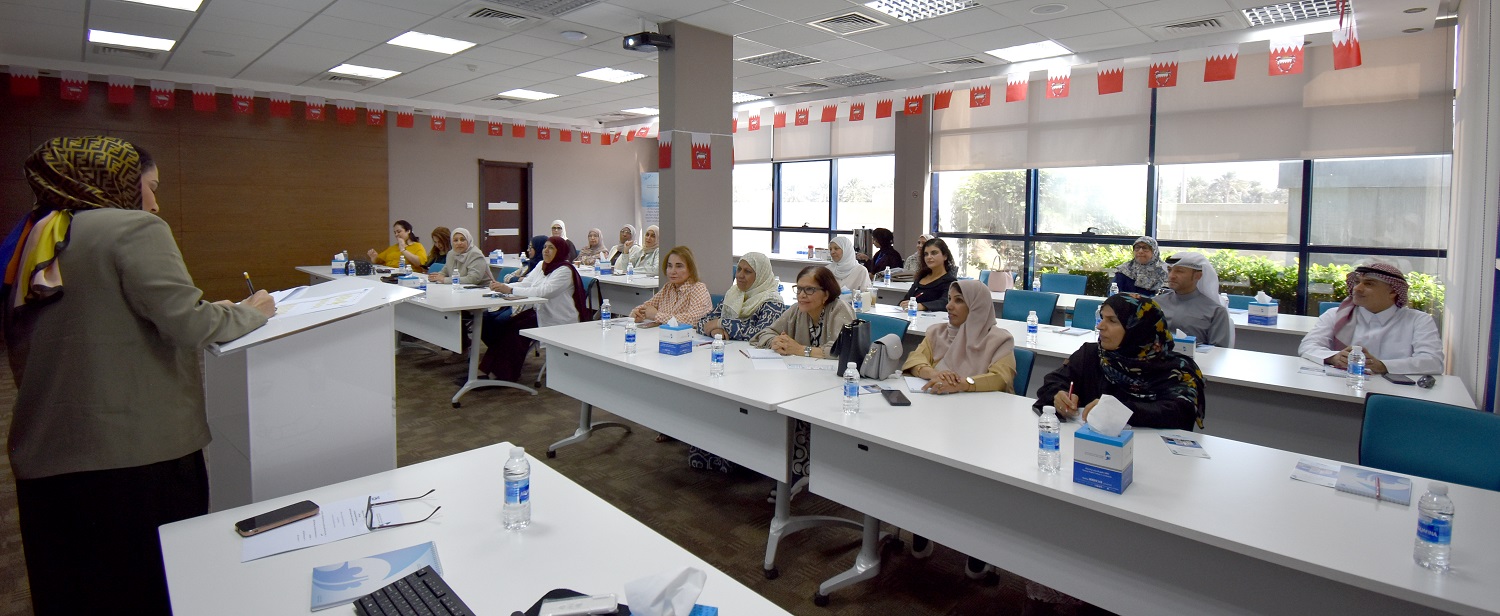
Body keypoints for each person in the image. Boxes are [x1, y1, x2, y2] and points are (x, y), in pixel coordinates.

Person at [2, 136, 275, 615]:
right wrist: (253, 311)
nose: (154, 203)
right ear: (120, 181)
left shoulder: (32, 235)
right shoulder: (132, 228)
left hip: (48, 450)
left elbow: (97, 318)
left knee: (75, 588)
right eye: (151, 186)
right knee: (148, 585)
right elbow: (188, 324)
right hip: (135, 453)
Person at [1033, 293, 1206, 431]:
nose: (1100, 326)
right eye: (1102, 318)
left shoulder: (1177, 371)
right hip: (1090, 446)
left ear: (1138, 328)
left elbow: (1180, 412)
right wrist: (1058, 395)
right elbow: (1054, 381)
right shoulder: (1092, 354)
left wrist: (1120, 410)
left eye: (1112, 321)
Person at [1298, 263, 1443, 375]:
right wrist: (1334, 357)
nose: (1357, 288)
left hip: (1395, 395)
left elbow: (1433, 361)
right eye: (1357, 282)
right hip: (1342, 389)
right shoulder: (1335, 315)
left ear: (1393, 291)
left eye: (1369, 284)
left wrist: (1382, 366)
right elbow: (1308, 346)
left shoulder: (1418, 320)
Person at [480, 236, 590, 382]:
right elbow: (526, 284)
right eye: (545, 247)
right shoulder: (541, 265)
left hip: (557, 317)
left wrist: (510, 290)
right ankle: (488, 369)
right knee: (506, 327)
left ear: (560, 251)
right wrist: (502, 287)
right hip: (539, 312)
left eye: (551, 248)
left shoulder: (565, 270)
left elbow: (544, 292)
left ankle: (503, 375)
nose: (546, 250)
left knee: (515, 330)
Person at [902, 280, 1017, 394]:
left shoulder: (1000, 340)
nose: (948, 306)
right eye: (949, 299)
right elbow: (915, 359)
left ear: (977, 306)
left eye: (959, 300)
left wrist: (961, 384)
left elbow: (1002, 378)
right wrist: (935, 374)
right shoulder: (937, 332)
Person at [751, 265, 857, 358]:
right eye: (799, 289)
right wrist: (775, 341)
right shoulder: (796, 310)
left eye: (809, 289)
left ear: (826, 294)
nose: (801, 295)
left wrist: (800, 350)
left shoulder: (839, 309)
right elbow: (765, 333)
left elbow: (844, 350)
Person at [697, 252, 787, 341]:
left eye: (747, 271)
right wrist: (715, 331)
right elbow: (703, 322)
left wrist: (722, 324)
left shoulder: (773, 303)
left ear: (761, 276)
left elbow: (763, 335)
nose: (739, 275)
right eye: (739, 269)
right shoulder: (734, 294)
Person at [1154, 251, 1234, 348]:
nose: (1171, 276)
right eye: (1170, 270)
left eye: (1179, 271)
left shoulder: (1215, 311)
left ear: (1198, 276)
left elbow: (1218, 351)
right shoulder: (1156, 303)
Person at [630, 246, 712, 324]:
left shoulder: (698, 288)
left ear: (690, 269)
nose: (672, 271)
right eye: (669, 266)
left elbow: (694, 320)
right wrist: (637, 313)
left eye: (679, 266)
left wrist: (657, 316)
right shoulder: (668, 287)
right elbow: (648, 305)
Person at [900, 237, 958, 312]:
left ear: (945, 256)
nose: (929, 257)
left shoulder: (950, 281)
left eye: (934, 253)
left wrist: (922, 306)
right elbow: (907, 298)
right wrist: (902, 304)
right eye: (926, 254)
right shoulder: (921, 277)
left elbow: (945, 302)